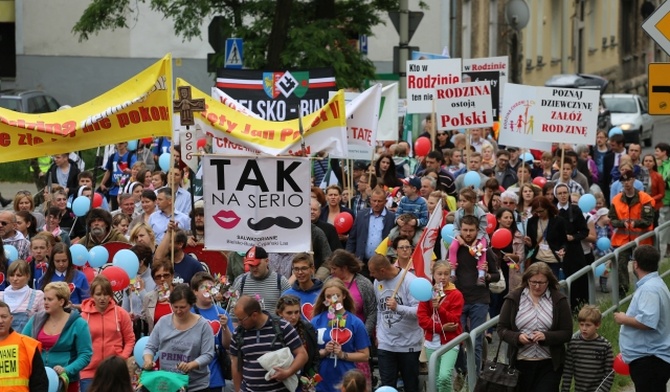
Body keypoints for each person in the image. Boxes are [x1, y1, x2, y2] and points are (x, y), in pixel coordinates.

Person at [497, 262, 572, 392]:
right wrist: (517, 337)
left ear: (548, 281)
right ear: (527, 280)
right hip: (520, 363)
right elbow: (501, 329)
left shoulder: (559, 300)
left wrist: (547, 337)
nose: (537, 286)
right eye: (533, 282)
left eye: (542, 283)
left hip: (549, 363)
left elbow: (567, 332)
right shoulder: (514, 299)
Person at [614, 245, 670, 392]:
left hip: (650, 359)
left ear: (636, 264)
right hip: (651, 358)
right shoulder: (655, 285)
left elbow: (647, 321)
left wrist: (623, 318)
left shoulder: (649, 289)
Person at [142, 284, 215, 392]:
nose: (178, 311)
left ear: (191, 305)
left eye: (182, 307)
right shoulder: (163, 322)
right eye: (175, 307)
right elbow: (150, 346)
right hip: (169, 383)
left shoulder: (203, 326)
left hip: (196, 386)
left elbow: (208, 354)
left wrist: (191, 365)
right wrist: (148, 360)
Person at [23, 281, 93, 392]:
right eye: (44, 299)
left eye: (50, 299)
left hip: (66, 381)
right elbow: (22, 343)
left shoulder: (79, 323)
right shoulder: (36, 319)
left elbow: (85, 354)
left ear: (61, 301)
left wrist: (67, 370)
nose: (45, 303)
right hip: (39, 380)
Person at [367, 254, 422, 392]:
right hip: (386, 343)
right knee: (387, 385)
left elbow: (419, 311)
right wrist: (379, 333)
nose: (371, 275)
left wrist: (398, 308)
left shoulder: (409, 281)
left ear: (382, 270)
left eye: (373, 272)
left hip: (408, 344)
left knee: (411, 385)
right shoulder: (377, 282)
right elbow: (380, 310)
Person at [231, 295, 308, 392]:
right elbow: (235, 364)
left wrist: (288, 372)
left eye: (242, 319)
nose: (239, 322)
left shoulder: (282, 327)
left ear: (254, 315)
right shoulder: (239, 333)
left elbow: (302, 354)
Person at [311, 280, 370, 392]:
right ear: (324, 299)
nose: (333, 300)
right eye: (328, 296)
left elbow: (365, 355)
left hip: (346, 380)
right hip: (321, 380)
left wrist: (342, 354)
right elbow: (308, 354)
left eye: (336, 296)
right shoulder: (315, 322)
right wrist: (324, 352)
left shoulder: (355, 323)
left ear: (344, 295)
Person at [79, 275, 135, 392]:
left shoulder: (121, 313)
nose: (102, 298)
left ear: (111, 295)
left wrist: (123, 358)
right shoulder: (83, 317)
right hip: (89, 371)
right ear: (92, 295)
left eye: (106, 294)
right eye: (98, 294)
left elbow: (130, 339)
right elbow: (78, 344)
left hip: (115, 370)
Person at [417, 261, 464, 392]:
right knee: (435, 379)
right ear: (433, 275)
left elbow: (455, 320)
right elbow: (422, 320)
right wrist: (441, 328)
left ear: (450, 276)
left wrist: (440, 309)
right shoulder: (427, 293)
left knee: (444, 377)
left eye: (446, 274)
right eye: (439, 274)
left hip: (450, 341)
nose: (443, 277)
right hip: (431, 342)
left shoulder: (456, 294)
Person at [609, 169, 655, 297]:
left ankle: (646, 292)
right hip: (622, 240)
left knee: (640, 268)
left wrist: (636, 223)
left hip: (641, 241)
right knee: (620, 266)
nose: (626, 183)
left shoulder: (644, 198)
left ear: (634, 180)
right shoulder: (617, 199)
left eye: (628, 180)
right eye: (624, 181)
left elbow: (648, 220)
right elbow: (612, 219)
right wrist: (620, 223)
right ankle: (622, 295)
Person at [190, 272, 234, 392]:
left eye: (212, 287)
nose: (209, 290)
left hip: (214, 377)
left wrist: (225, 328)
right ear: (194, 291)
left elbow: (228, 345)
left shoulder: (222, 313)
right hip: (191, 377)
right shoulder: (188, 312)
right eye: (204, 287)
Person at [561, 305, 614, 392]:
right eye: (581, 325)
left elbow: (609, 373)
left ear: (597, 325)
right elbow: (568, 370)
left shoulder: (605, 345)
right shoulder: (573, 344)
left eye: (588, 325)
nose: (584, 328)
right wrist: (565, 389)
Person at [0, 300, 49, 391]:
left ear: (11, 319)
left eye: (4, 316)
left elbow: (40, 383)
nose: (0, 321)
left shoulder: (28, 345)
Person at [231, 246, 291, 318]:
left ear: (267, 261)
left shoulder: (281, 281)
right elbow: (233, 312)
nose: (254, 268)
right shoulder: (241, 282)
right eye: (251, 265)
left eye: (257, 264)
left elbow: (290, 308)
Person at [346, 187, 396, 268]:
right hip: (362, 262)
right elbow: (352, 238)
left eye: (379, 201)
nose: (376, 204)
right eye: (374, 201)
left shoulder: (391, 218)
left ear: (385, 202)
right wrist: (348, 258)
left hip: (382, 264)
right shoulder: (361, 215)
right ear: (370, 200)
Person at [450, 188, 489, 284]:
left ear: (472, 201)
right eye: (460, 201)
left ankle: (481, 274)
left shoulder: (480, 213)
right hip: (462, 235)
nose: (461, 203)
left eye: (464, 201)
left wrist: (476, 241)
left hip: (479, 235)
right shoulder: (459, 213)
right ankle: (452, 272)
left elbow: (483, 229)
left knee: (481, 249)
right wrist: (459, 238)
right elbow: (456, 227)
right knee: (452, 247)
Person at [276, 295, 319, 379]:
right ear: (280, 313)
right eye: (289, 313)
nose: (294, 317)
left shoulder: (308, 328)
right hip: (282, 378)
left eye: (296, 312)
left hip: (304, 378)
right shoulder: (274, 331)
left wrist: (311, 377)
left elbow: (315, 356)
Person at [524, 197, 567, 276]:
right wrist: (529, 244)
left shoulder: (558, 221)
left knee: (552, 285)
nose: (539, 214)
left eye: (541, 211)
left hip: (553, 259)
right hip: (537, 259)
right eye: (537, 212)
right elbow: (531, 245)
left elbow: (564, 241)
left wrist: (562, 249)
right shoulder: (531, 221)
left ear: (547, 208)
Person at [0, 260, 44, 332]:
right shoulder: (1, 296)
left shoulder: (38, 295)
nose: (15, 279)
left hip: (27, 340)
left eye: (19, 275)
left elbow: (43, 321)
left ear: (27, 276)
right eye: (12, 275)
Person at [282, 253, 324, 321]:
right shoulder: (287, 295)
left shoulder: (324, 293)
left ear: (312, 269)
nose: (300, 272)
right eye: (296, 269)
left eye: (304, 268)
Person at [141, 259, 175, 333]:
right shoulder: (148, 297)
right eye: (158, 277)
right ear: (154, 280)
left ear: (172, 276)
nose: (162, 279)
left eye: (166, 275)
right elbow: (145, 319)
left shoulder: (181, 294)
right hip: (157, 339)